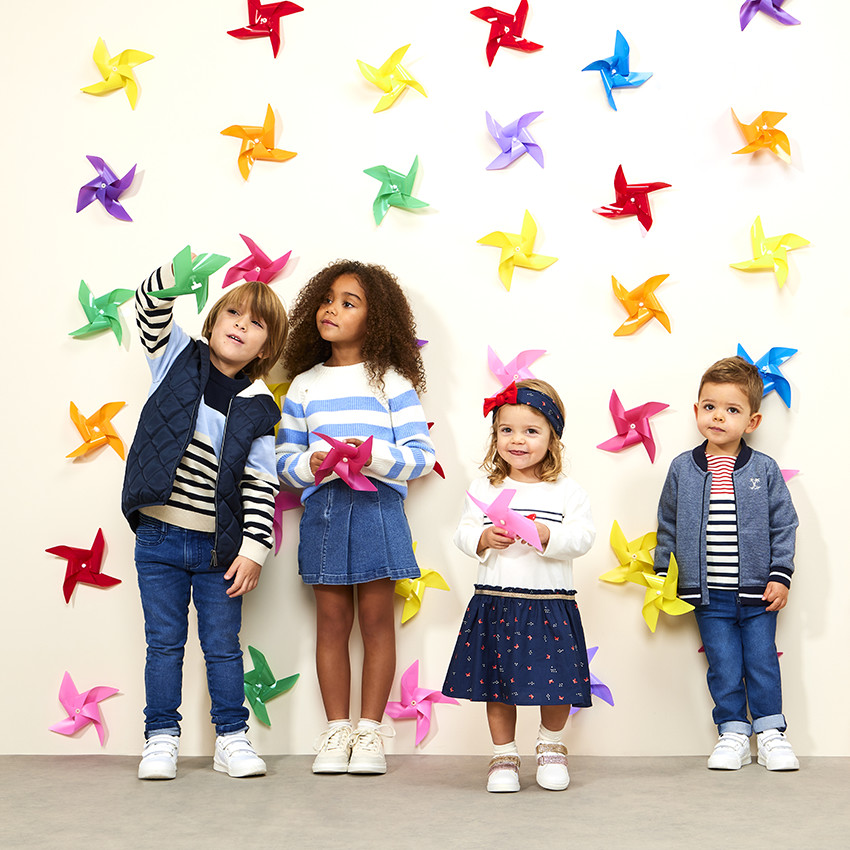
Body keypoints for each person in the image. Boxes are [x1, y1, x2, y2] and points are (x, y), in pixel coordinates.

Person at [121, 258, 288, 780]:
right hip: (158, 536)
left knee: (222, 647)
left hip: (219, 549)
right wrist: (175, 272)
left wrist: (254, 550)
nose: (240, 324)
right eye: (232, 313)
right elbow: (148, 308)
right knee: (164, 643)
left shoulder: (260, 405)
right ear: (212, 320)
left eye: (255, 323)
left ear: (266, 347)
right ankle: (160, 738)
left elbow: (262, 483)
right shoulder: (176, 357)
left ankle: (231, 737)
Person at [276, 259, 435, 775]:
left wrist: (374, 457)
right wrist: (313, 463)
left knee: (375, 621)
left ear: (377, 318)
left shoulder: (392, 382)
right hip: (324, 511)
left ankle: (370, 733)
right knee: (331, 622)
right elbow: (284, 464)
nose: (332, 309)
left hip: (377, 508)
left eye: (349, 302)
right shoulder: (302, 385)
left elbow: (421, 456)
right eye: (328, 299)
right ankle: (336, 730)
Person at [442, 379, 595, 793]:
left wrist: (547, 535)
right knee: (498, 682)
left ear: (552, 438)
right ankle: (503, 754)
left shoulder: (567, 492)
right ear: (495, 436)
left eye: (531, 431)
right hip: (497, 602)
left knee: (557, 680)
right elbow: (463, 533)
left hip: (549, 604)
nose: (518, 440)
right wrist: (483, 539)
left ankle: (550, 746)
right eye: (506, 430)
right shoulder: (485, 487)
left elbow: (583, 538)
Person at [655, 355, 799, 771]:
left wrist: (781, 575)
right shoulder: (682, 468)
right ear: (696, 410)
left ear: (751, 421)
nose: (718, 417)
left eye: (732, 410)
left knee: (762, 663)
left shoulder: (765, 470)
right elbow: (667, 523)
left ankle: (771, 733)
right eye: (710, 406)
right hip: (706, 596)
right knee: (723, 667)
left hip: (758, 595)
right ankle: (733, 731)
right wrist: (666, 574)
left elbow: (784, 524)